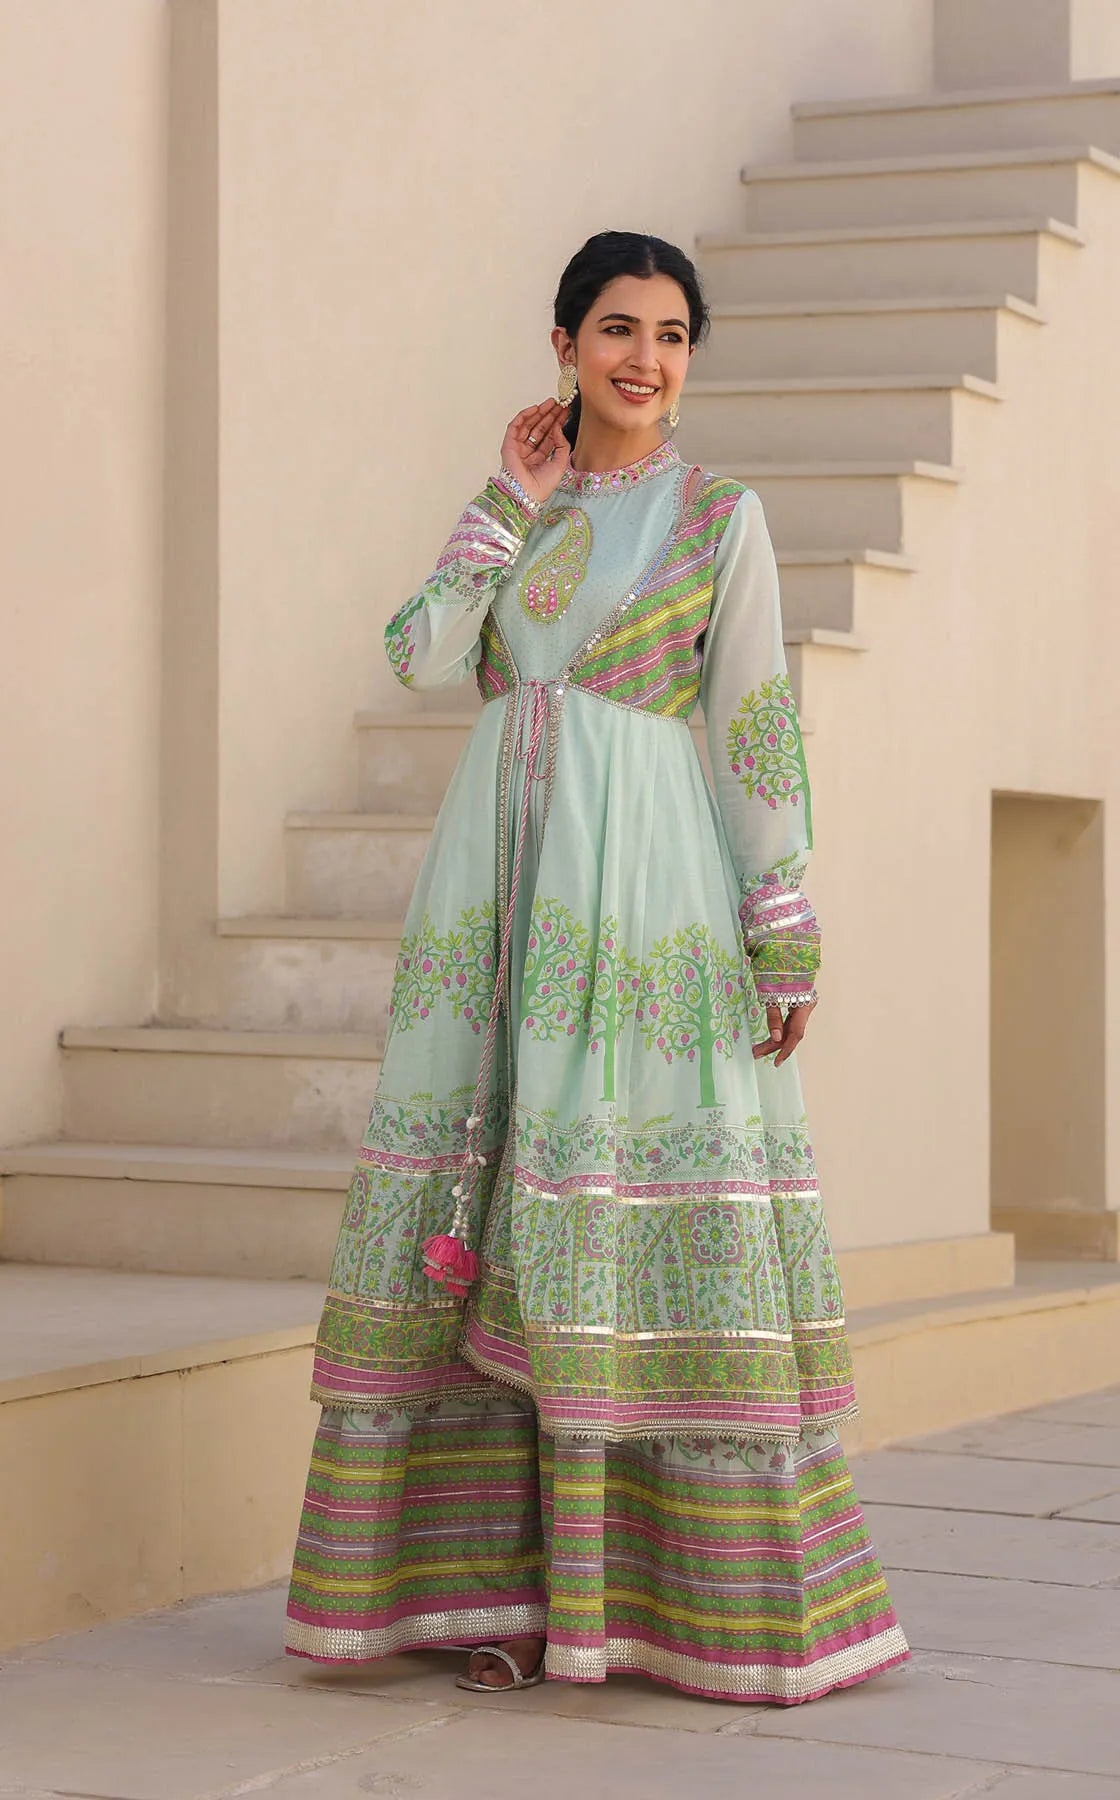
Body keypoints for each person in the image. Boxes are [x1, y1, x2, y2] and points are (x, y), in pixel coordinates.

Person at [284, 230, 910, 1704]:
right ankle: (485, 1590)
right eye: (619, 328)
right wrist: (508, 500)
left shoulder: (719, 515)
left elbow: (753, 721)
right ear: (563, 344)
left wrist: (782, 919)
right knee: (475, 1199)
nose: (647, 358)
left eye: (674, 335)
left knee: (603, 1190)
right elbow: (419, 655)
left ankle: (662, 1604)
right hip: (493, 892)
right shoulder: (528, 509)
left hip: (639, 897)